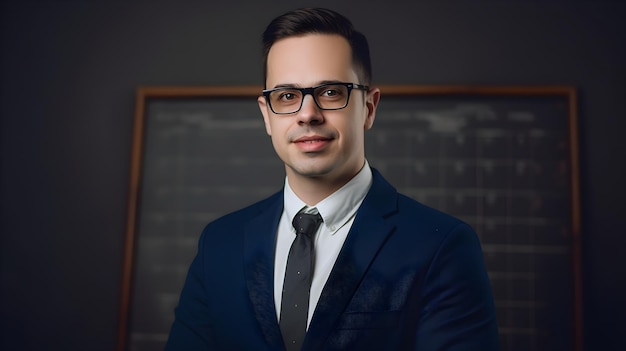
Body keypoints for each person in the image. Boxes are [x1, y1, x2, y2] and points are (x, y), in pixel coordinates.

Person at [165, 7, 498, 350]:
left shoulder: (440, 246)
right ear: (267, 116)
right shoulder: (219, 243)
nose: (308, 114)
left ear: (369, 107)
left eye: (330, 92)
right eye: (287, 96)